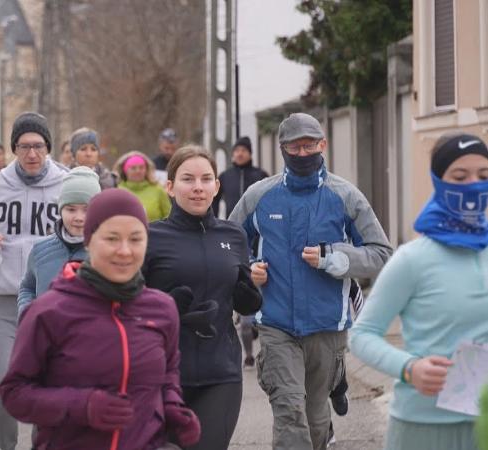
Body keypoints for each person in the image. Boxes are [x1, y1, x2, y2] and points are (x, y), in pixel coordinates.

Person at [229, 112, 392, 450]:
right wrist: (249, 268)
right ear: (282, 149)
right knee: (289, 411)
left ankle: (332, 400)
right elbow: (227, 247)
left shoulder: (345, 196)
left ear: (323, 145)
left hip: (327, 326)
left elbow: (380, 253)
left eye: (309, 145)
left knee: (315, 418)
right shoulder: (259, 196)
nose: (302, 153)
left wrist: (333, 257)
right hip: (275, 324)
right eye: (294, 146)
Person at [0, 188, 201, 450]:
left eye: (136, 239)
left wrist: (172, 407)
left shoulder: (162, 309)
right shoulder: (49, 311)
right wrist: (81, 405)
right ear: (88, 241)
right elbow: (14, 393)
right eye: (112, 238)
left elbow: (168, 373)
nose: (125, 251)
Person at [349, 133, 488, 450]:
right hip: (423, 427)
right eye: (460, 176)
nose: (473, 186)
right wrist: (409, 368)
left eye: (484, 176)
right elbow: (362, 335)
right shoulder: (412, 259)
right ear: (439, 182)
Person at [142, 146, 262, 450]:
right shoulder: (149, 238)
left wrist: (249, 294)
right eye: (187, 179)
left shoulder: (234, 235)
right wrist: (170, 311)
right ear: (169, 187)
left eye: (206, 179)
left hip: (220, 371)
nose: (198, 187)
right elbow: (130, 305)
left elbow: (244, 302)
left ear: (216, 186)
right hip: (162, 374)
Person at [0, 112, 67, 450]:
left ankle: (42, 444)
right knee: (2, 386)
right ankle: (6, 446)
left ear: (48, 148)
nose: (32, 154)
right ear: (13, 149)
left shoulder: (65, 183)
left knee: (47, 384)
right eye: (24, 146)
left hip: (50, 302)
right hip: (2, 301)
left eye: (38, 146)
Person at [213, 136, 269, 367]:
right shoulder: (226, 176)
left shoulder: (261, 175)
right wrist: (214, 222)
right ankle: (245, 313)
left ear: (250, 153)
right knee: (238, 270)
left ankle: (253, 314)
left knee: (259, 269)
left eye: (243, 150)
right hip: (234, 231)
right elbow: (215, 202)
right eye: (236, 151)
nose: (239, 154)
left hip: (260, 231)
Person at [17, 166, 101, 318]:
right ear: (60, 209)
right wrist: (27, 314)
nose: (79, 217)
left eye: (87, 210)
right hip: (45, 335)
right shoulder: (40, 249)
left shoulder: (106, 253)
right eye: (71, 209)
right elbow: (27, 287)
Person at [114, 151, 171, 222]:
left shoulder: (158, 190)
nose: (138, 171)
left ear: (146, 170)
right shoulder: (117, 191)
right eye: (133, 168)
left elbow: (169, 217)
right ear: (125, 171)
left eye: (141, 167)